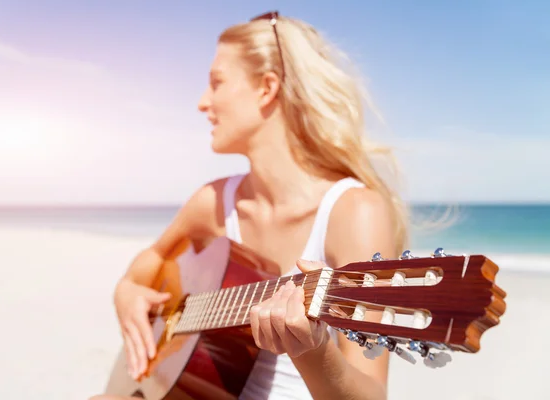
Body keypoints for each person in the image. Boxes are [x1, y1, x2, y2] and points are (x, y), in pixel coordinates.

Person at [91, 10, 408, 400]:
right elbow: (150, 262)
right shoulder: (213, 202)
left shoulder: (354, 212)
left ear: (266, 88)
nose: (202, 103)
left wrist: (312, 351)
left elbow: (372, 394)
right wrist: (126, 291)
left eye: (216, 83)